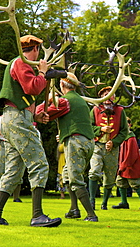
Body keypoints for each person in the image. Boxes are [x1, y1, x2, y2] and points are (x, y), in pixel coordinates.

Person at [0, 35, 62, 227]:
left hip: (13, 119)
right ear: (35, 49)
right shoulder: (21, 62)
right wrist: (43, 73)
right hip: (18, 120)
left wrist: (35, 116)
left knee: (13, 171)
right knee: (39, 163)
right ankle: (37, 216)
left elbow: (21, 97)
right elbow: (32, 87)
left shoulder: (17, 64)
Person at [36, 72, 98, 222]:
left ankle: (91, 215)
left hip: (75, 142)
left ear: (62, 85)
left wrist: (50, 100)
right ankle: (73, 209)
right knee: (67, 173)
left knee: (75, 178)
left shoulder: (64, 101)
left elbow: (42, 114)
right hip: (88, 142)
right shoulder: (81, 101)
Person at [88, 86, 128, 210]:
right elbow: (88, 127)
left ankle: (104, 202)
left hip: (112, 149)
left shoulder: (120, 110)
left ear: (114, 97)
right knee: (94, 171)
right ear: (101, 97)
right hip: (97, 146)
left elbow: (124, 131)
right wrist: (100, 130)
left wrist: (114, 142)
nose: (108, 97)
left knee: (110, 176)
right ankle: (91, 201)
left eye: (111, 94)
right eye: (105, 94)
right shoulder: (95, 110)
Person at [112, 117, 140, 210]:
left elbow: (131, 155)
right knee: (121, 183)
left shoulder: (131, 138)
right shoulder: (123, 137)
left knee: (136, 185)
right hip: (124, 166)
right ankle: (124, 202)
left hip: (131, 167)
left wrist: (123, 165)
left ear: (129, 125)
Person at [0, 115, 23, 203]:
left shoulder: (23, 116)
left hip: (18, 143)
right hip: (5, 144)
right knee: (3, 169)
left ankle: (16, 197)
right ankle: (1, 197)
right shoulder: (2, 118)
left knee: (17, 169)